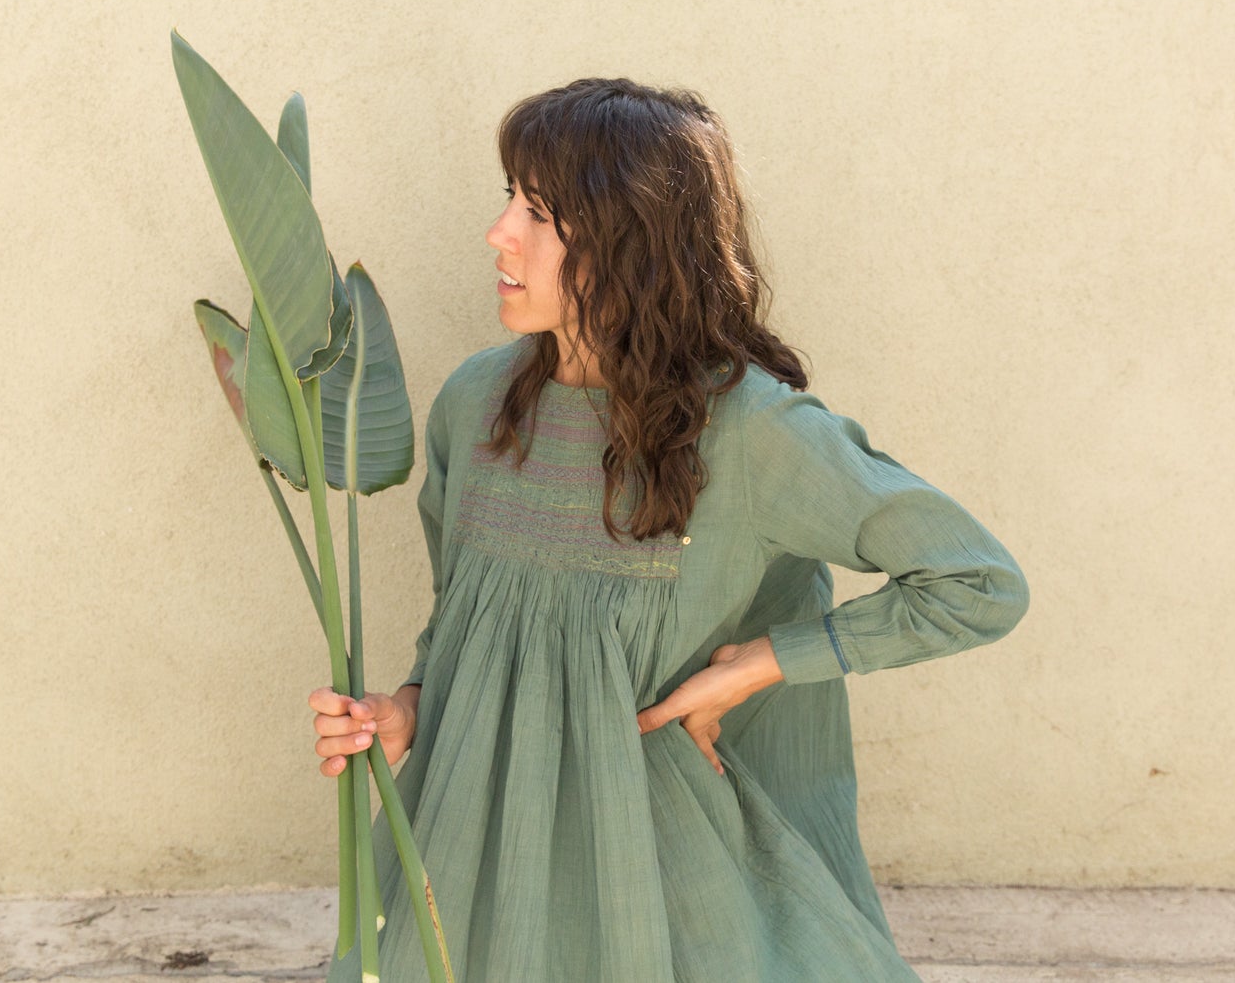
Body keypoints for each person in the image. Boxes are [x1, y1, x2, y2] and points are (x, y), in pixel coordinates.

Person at [308, 78, 1029, 981]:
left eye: (540, 211)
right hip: (473, 875)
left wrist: (766, 661)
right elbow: (464, 625)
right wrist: (405, 708)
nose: (500, 233)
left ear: (633, 239)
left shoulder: (754, 432)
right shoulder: (474, 406)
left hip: (666, 896)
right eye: (509, 199)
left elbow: (977, 582)